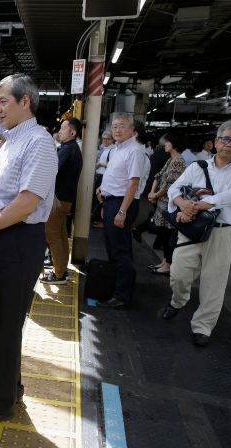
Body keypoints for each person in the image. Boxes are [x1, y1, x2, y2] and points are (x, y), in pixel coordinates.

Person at [0, 73, 58, 430]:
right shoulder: (11, 142)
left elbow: (26, 203)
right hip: (1, 237)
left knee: (6, 323)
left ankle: (3, 403)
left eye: (3, 101)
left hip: (19, 241)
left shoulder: (39, 143)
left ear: (25, 102)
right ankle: (6, 385)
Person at [160, 120, 231, 348]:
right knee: (179, 273)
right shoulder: (197, 167)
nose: (229, 144)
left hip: (222, 233)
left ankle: (202, 327)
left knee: (214, 283)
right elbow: (174, 189)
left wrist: (199, 205)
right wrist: (184, 204)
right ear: (215, 142)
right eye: (225, 139)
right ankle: (178, 300)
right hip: (192, 228)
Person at [94, 114, 146, 308]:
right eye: (114, 126)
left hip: (121, 203)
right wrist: (105, 205)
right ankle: (119, 288)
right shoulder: (118, 149)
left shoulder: (134, 151)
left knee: (120, 251)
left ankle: (122, 296)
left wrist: (122, 212)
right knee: (114, 248)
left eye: (122, 126)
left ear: (133, 130)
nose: (117, 130)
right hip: (111, 203)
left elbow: (133, 182)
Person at [41, 118, 82, 284]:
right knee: (61, 235)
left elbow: (52, 169)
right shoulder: (74, 149)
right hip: (65, 200)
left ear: (73, 132)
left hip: (57, 201)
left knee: (52, 236)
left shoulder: (67, 149)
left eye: (63, 128)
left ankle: (58, 274)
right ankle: (62, 269)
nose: (60, 131)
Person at [146, 132, 187, 275]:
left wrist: (155, 194)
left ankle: (168, 264)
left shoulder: (178, 161)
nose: (165, 145)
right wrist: (153, 193)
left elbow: (170, 185)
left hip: (169, 205)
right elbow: (158, 176)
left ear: (174, 144)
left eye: (167, 142)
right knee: (164, 234)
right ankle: (165, 262)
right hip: (161, 202)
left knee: (168, 236)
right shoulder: (171, 159)